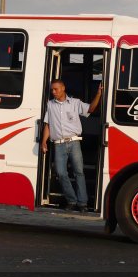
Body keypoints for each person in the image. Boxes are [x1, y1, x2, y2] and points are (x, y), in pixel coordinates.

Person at [40, 78, 102, 212]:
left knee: (79, 172)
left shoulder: (75, 103)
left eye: (56, 89)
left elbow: (90, 109)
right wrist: (44, 141)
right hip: (58, 144)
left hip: (74, 142)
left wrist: (98, 94)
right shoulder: (50, 105)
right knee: (61, 173)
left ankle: (82, 203)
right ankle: (71, 200)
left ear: (63, 88)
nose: (53, 92)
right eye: (52, 89)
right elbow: (48, 124)